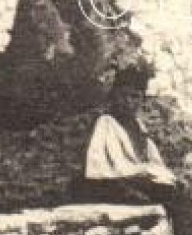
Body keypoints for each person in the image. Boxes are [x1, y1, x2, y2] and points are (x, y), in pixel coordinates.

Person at [74, 63, 179, 205]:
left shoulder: (138, 125)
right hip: (111, 180)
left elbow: (153, 159)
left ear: (141, 100)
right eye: (123, 95)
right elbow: (115, 165)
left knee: (175, 190)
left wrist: (156, 172)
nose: (128, 102)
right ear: (114, 97)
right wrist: (144, 172)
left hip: (135, 177)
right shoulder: (107, 122)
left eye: (135, 97)